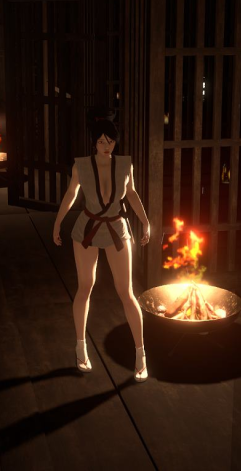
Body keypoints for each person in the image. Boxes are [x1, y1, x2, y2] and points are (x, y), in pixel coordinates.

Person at [53, 112, 151, 382]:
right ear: (93, 142)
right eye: (101, 141)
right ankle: (80, 347)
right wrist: (58, 222)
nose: (106, 146)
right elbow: (71, 194)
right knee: (85, 286)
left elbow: (131, 194)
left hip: (117, 227)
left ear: (116, 142)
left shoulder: (125, 165)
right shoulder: (81, 166)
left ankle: (141, 354)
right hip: (87, 227)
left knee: (126, 292)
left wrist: (146, 222)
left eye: (110, 141)